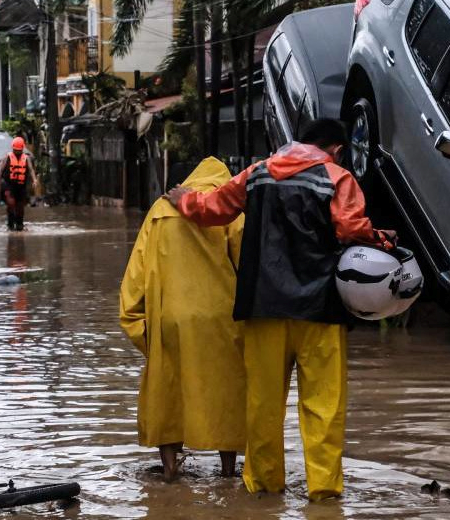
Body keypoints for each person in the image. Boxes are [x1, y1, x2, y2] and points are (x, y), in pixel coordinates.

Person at [166, 118, 394, 501]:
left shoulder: (256, 175)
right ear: (336, 148)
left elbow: (213, 209)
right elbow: (351, 228)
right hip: (320, 309)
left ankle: (264, 488)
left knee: (262, 405)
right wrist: (383, 240)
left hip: (262, 306)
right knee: (323, 405)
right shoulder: (337, 177)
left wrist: (182, 199)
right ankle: (323, 493)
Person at [120, 158, 247, 480]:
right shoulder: (230, 211)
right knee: (226, 392)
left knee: (168, 392)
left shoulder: (159, 212)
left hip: (169, 317)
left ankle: (170, 469)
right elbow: (248, 267)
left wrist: (139, 327)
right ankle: (229, 471)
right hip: (221, 317)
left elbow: (134, 279)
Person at [0, 136, 38, 231]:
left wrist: (34, 180)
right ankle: (10, 224)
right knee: (11, 203)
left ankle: (19, 224)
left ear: (22, 149)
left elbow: (31, 170)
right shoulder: (7, 157)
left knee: (20, 207)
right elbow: (0, 172)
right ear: (13, 148)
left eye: (19, 150)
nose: (17, 152)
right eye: (15, 150)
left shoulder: (26, 158)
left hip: (21, 186)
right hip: (9, 185)